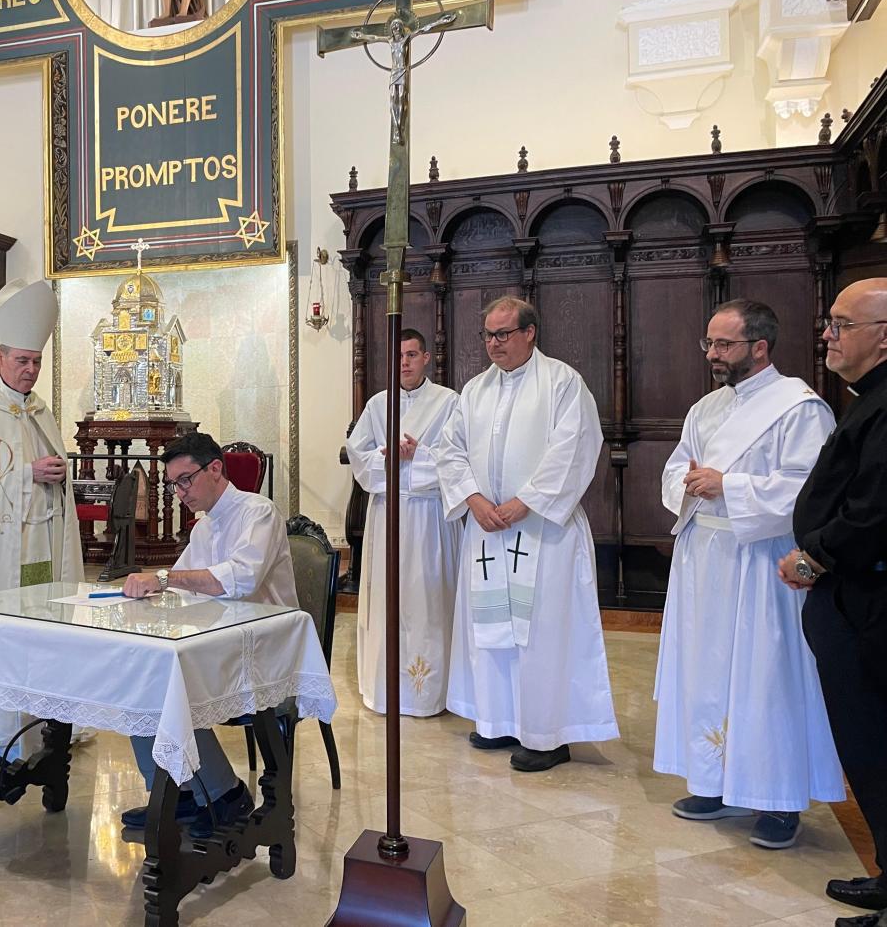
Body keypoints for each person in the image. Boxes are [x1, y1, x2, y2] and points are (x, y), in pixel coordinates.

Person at [653, 299, 840, 851]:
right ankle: (714, 781)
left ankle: (778, 799)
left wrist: (728, 487)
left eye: (723, 344)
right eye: (709, 343)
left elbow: (810, 488)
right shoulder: (706, 408)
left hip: (760, 560)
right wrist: (689, 485)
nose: (712, 354)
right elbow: (677, 467)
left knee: (765, 676)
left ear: (759, 346)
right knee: (707, 672)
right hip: (704, 556)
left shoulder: (799, 408)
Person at [434, 296, 618, 771]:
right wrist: (473, 498)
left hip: (542, 532)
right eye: (488, 335)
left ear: (529, 332)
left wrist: (525, 502)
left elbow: (573, 448)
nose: (493, 344)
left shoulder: (562, 383)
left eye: (503, 334)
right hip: (488, 528)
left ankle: (547, 734)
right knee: (492, 630)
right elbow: (449, 450)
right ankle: (498, 720)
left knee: (542, 635)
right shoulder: (475, 390)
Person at [118, 432, 297, 839]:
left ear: (215, 469)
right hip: (221, 641)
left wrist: (163, 578)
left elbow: (241, 580)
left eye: (185, 480)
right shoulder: (204, 528)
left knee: (170, 684)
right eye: (173, 485)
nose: (180, 492)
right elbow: (179, 588)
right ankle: (176, 791)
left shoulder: (259, 513)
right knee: (140, 673)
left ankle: (225, 795)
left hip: (264, 650)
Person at [779, 278, 887, 927]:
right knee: (866, 746)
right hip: (854, 594)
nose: (827, 334)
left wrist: (813, 556)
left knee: (874, 742)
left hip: (868, 600)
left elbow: (875, 511)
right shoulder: (868, 400)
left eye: (842, 324)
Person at [0, 278, 84, 761]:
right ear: (0, 357)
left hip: (42, 543)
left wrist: (58, 475)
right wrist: (28, 474)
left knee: (42, 632)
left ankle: (44, 724)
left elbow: (54, 478)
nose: (30, 370)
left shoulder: (41, 412)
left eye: (37, 362)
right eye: (22, 361)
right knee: (6, 634)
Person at [346, 329, 461, 717]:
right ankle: (385, 688)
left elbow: (459, 455)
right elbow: (358, 454)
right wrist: (388, 458)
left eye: (412, 354)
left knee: (429, 600)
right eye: (398, 356)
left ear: (426, 358)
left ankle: (433, 693)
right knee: (388, 598)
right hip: (388, 512)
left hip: (429, 516)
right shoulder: (378, 405)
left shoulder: (448, 402)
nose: (405, 362)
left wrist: (419, 455)